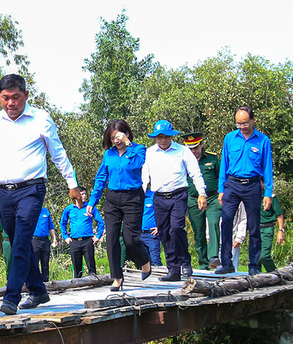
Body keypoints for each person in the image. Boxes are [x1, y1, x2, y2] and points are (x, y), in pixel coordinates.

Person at [0, 75, 83, 315]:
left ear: (26, 96)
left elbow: (58, 154)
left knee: (20, 241)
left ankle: (11, 297)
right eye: (5, 98)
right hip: (3, 193)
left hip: (31, 189)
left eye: (16, 98)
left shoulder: (40, 119)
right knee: (18, 239)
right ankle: (38, 290)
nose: (11, 103)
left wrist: (72, 184)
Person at [85, 120, 151, 291]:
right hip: (113, 199)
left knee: (131, 240)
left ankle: (144, 260)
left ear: (127, 134)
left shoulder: (139, 150)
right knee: (112, 239)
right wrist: (92, 201)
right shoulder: (109, 154)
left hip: (133, 198)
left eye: (119, 136)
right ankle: (117, 277)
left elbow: (137, 165)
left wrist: (129, 146)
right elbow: (101, 178)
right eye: (113, 138)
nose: (116, 140)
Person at [142, 120, 207, 282]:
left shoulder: (182, 151)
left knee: (176, 229)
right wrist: (140, 195)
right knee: (164, 233)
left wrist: (201, 193)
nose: (162, 140)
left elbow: (195, 173)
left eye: (165, 137)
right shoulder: (150, 152)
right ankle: (173, 269)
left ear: (171, 136)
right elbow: (145, 175)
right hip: (159, 197)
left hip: (178, 195)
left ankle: (185, 262)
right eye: (159, 137)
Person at [217, 106, 274, 275]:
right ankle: (226, 262)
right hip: (232, 184)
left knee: (254, 225)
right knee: (226, 222)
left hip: (252, 185)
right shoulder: (230, 138)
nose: (242, 127)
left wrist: (268, 194)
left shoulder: (263, 140)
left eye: (245, 123)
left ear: (252, 121)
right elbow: (224, 165)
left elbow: (268, 168)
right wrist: (221, 188)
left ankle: (254, 265)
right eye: (238, 123)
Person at [181, 133, 221, 269]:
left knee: (214, 222)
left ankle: (213, 256)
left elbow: (220, 178)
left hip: (212, 197)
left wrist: (222, 194)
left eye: (196, 147)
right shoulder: (183, 160)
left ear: (201, 145)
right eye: (190, 148)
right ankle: (203, 264)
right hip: (193, 199)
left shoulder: (212, 158)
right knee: (199, 232)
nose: (193, 151)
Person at [232, 194, 285, 273]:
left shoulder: (271, 197)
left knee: (264, 256)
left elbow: (279, 214)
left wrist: (281, 231)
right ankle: (258, 277)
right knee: (255, 258)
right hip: (254, 228)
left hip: (266, 228)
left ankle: (275, 273)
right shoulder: (250, 196)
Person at [59, 196, 104, 278]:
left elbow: (100, 222)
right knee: (76, 267)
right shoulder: (69, 209)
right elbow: (62, 223)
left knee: (91, 265)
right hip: (74, 241)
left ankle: (93, 282)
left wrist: (98, 236)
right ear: (77, 196)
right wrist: (65, 237)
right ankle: (77, 284)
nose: (85, 196)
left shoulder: (90, 207)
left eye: (85, 194)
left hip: (87, 240)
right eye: (82, 194)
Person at [32, 204, 59, 282]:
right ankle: (35, 282)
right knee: (34, 262)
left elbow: (51, 226)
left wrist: (54, 238)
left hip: (45, 240)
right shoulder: (31, 211)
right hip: (34, 240)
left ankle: (45, 281)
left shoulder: (45, 211)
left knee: (45, 263)